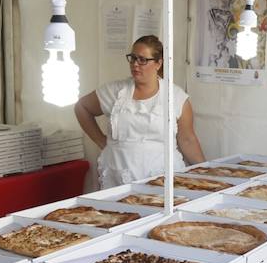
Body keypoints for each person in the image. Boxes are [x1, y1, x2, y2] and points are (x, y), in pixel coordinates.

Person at [74, 35, 206, 188]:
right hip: (118, 178)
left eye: (143, 60)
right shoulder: (114, 91)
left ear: (158, 63)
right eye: (133, 58)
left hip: (162, 179)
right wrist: (101, 141)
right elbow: (81, 107)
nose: (135, 64)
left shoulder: (176, 97)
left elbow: (187, 139)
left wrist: (207, 171)